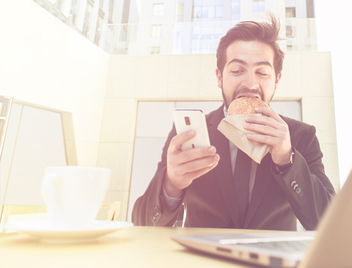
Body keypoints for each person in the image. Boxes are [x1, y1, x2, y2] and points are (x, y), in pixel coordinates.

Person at [132, 14, 335, 231]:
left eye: (262, 72)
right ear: (220, 77)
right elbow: (143, 223)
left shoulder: (301, 136)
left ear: (276, 80)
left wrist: (287, 160)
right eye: (237, 71)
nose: (250, 83)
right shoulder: (190, 133)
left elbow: (329, 223)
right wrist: (171, 184)